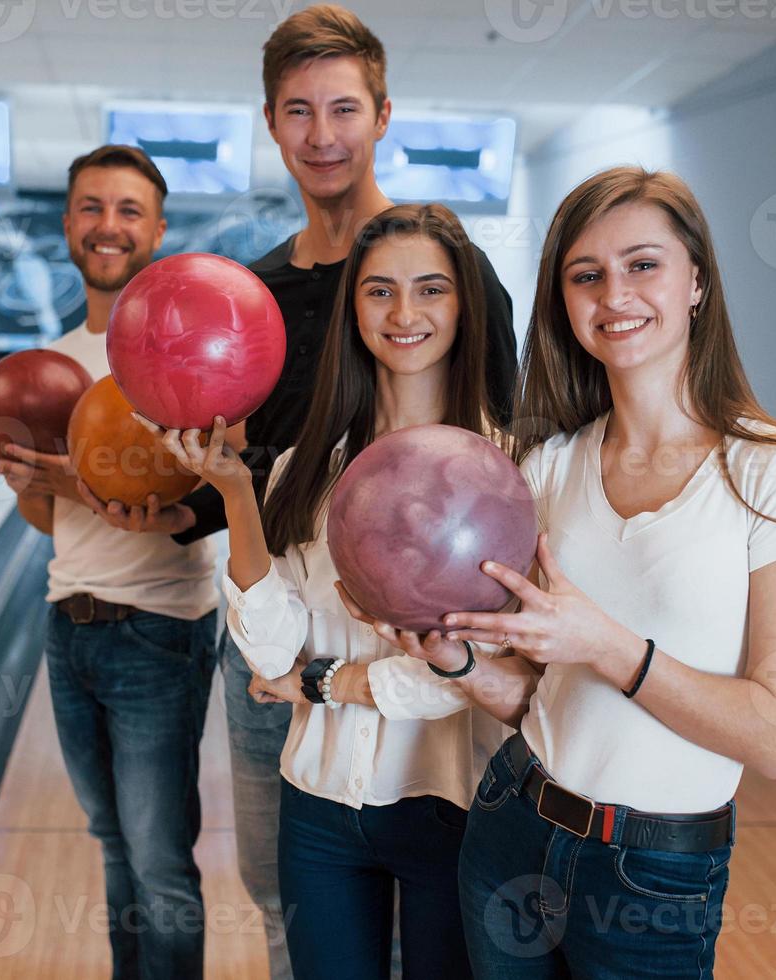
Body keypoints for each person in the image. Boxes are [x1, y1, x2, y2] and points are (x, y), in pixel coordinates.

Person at [64, 10, 519, 973]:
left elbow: (503, 476)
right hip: (282, 615)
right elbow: (259, 483)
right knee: (283, 888)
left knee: (435, 905)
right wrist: (177, 505)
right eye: (300, 111)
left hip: (430, 659)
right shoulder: (256, 291)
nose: (323, 134)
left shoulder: (464, 276)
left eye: (344, 108)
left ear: (383, 115)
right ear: (271, 123)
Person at [351, 166, 776, 978]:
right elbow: (544, 703)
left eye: (642, 264)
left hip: (652, 873)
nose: (615, 294)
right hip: (512, 825)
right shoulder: (548, 468)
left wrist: (607, 644)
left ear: (697, 283)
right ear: (564, 302)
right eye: (587, 275)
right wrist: (461, 662)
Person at [140, 204, 510, 979]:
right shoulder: (310, 464)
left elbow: (472, 674)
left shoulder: (507, 472)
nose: (403, 314)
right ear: (353, 311)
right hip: (316, 807)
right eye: (379, 292)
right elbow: (272, 645)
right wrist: (238, 496)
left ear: (465, 306)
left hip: (451, 805)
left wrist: (326, 682)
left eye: (430, 290)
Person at [0, 145, 219, 980]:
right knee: (113, 846)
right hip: (69, 625)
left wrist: (73, 478)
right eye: (91, 207)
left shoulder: (180, 358)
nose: (108, 226)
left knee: (159, 862)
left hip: (160, 631)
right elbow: (45, 521)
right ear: (67, 226)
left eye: (129, 210)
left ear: (158, 229)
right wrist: (29, 481)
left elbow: (183, 516)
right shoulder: (49, 367)